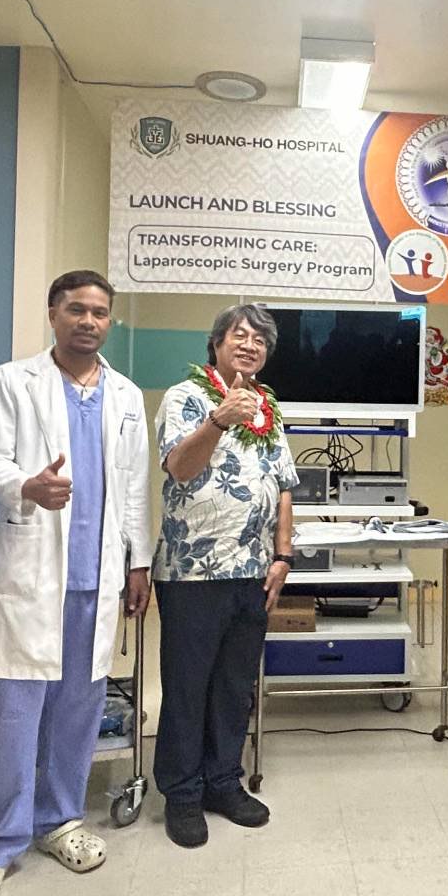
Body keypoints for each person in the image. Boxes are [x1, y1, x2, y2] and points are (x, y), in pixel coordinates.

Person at [0, 270, 151, 896]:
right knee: (13, 712)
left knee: (78, 706)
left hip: (97, 575)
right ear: (53, 313)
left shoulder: (124, 395)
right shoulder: (15, 380)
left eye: (100, 312)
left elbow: (135, 486)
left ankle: (60, 818)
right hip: (30, 570)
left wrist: (140, 561)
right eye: (76, 309)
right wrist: (27, 487)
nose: (89, 321)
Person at [153, 304, 297, 848]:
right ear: (216, 343)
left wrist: (283, 556)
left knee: (235, 687)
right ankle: (182, 794)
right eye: (240, 335)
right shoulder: (184, 397)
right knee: (188, 687)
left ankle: (222, 782)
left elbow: (284, 484)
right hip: (193, 571)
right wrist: (219, 419)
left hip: (254, 570)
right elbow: (179, 468)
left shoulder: (268, 407)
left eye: (260, 339)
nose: (250, 345)